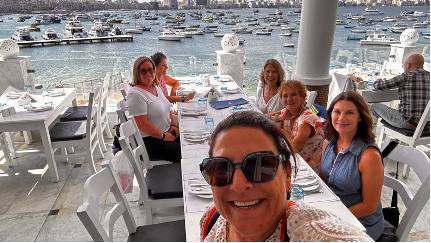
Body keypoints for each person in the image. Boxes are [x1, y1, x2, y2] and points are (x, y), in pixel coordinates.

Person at [199, 111, 373, 242]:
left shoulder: (316, 235)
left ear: (287, 174)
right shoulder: (211, 220)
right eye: (221, 168)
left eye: (260, 165)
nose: (238, 185)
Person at [320, 91, 384, 240]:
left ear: (360, 117)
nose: (341, 118)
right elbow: (323, 178)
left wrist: (333, 216)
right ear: (330, 114)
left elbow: (369, 206)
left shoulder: (369, 156)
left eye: (349, 113)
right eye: (337, 112)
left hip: (360, 222)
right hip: (333, 211)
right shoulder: (328, 143)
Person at [126, 56, 181, 163]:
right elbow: (142, 124)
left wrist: (173, 125)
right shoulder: (136, 94)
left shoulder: (155, 86)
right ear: (137, 73)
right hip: (150, 141)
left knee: (190, 142)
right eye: (143, 71)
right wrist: (163, 136)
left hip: (165, 132)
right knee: (185, 152)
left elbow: (166, 106)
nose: (148, 73)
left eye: (150, 69)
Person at [268, 80, 324, 173]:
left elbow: (296, 148)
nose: (289, 99)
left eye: (293, 94)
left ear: (303, 97)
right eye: (285, 96)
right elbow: (262, 117)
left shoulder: (307, 119)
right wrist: (280, 117)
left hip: (307, 170)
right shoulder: (288, 111)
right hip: (293, 161)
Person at [371, 54, 430, 130]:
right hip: (425, 125)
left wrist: (378, 81)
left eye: (403, 65)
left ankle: (369, 139)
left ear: (408, 65)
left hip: (408, 123)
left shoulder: (406, 76)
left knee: (374, 107)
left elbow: (378, 86)